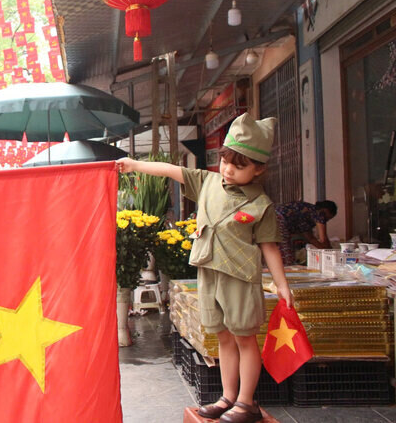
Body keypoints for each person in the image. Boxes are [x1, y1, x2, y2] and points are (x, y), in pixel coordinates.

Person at [117, 113, 292, 423]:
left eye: (239, 166)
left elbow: (269, 247)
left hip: (240, 276)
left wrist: (282, 285)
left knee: (245, 338)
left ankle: (246, 402)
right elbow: (172, 170)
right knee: (223, 337)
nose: (228, 170)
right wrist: (134, 165)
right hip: (208, 273)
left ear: (259, 169)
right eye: (226, 161)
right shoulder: (207, 181)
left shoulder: (260, 204)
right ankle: (227, 397)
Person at [275, 200, 337, 265]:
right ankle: (285, 269)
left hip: (272, 218)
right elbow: (323, 239)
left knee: (279, 249)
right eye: (328, 218)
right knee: (285, 252)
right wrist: (331, 252)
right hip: (280, 220)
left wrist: (324, 250)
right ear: (326, 210)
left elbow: (310, 238)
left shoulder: (308, 214)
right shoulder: (320, 214)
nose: (325, 221)